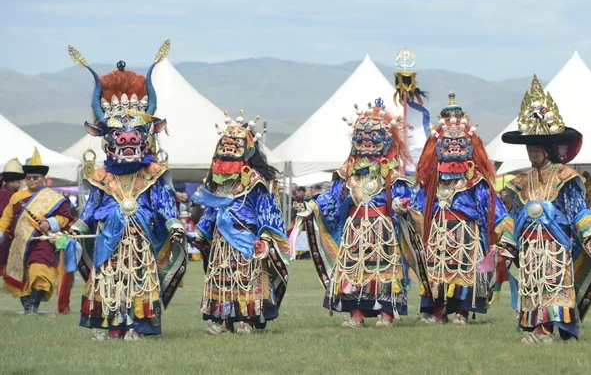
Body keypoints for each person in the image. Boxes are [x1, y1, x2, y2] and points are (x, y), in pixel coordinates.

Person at [66, 44, 186, 340]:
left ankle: (139, 325)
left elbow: (163, 203)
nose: (127, 138)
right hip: (110, 239)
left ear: (147, 137)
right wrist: (77, 228)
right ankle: (111, 325)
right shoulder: (100, 176)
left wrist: (173, 223)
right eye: (118, 134)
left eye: (133, 133)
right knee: (108, 279)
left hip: (141, 238)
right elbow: (91, 208)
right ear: (106, 140)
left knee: (141, 279)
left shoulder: (153, 173)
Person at [496, 76, 591, 344]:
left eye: (536, 147)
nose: (532, 152)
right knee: (532, 286)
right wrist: (506, 247)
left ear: (548, 148)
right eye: (529, 147)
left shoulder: (566, 176)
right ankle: (534, 326)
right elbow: (514, 216)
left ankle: (547, 328)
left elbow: (579, 211)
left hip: (555, 245)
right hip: (529, 245)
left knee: (553, 284)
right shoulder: (520, 182)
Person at [297, 98, 428, 328]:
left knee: (382, 269)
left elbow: (405, 197)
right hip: (354, 229)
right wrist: (313, 206)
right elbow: (332, 196)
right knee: (354, 270)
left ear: (385, 140)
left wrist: (401, 206)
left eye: (373, 138)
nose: (367, 142)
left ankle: (386, 314)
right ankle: (356, 314)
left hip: (382, 228)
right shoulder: (348, 173)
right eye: (362, 138)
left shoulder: (391, 173)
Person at [410, 92, 513, 325]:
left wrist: (505, 228)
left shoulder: (475, 180)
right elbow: (419, 205)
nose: (454, 146)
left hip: (466, 234)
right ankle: (438, 311)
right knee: (437, 270)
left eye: (459, 142)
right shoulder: (433, 181)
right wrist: (405, 209)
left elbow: (491, 207)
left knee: (466, 271)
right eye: (447, 142)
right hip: (438, 234)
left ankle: (462, 312)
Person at [192, 111, 290, 335]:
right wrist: (201, 233)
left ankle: (249, 319)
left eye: (236, 143)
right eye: (225, 143)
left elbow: (266, 209)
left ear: (248, 148)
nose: (229, 147)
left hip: (247, 238)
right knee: (222, 278)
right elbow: (211, 210)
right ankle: (222, 320)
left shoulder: (256, 181)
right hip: (221, 242)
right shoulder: (215, 181)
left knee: (247, 278)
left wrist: (265, 237)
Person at [0, 148, 74, 315]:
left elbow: (65, 218)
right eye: (29, 178)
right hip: (19, 243)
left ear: (43, 178)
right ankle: (27, 307)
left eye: (35, 177)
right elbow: (6, 218)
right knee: (22, 275)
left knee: (39, 271)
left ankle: (34, 306)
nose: (32, 180)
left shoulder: (54, 198)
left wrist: (50, 222)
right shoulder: (16, 197)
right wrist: (1, 231)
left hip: (41, 242)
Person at [0, 159, 25, 277]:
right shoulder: (5, 195)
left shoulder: (11, 193)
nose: (21, 183)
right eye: (19, 180)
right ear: (11, 182)